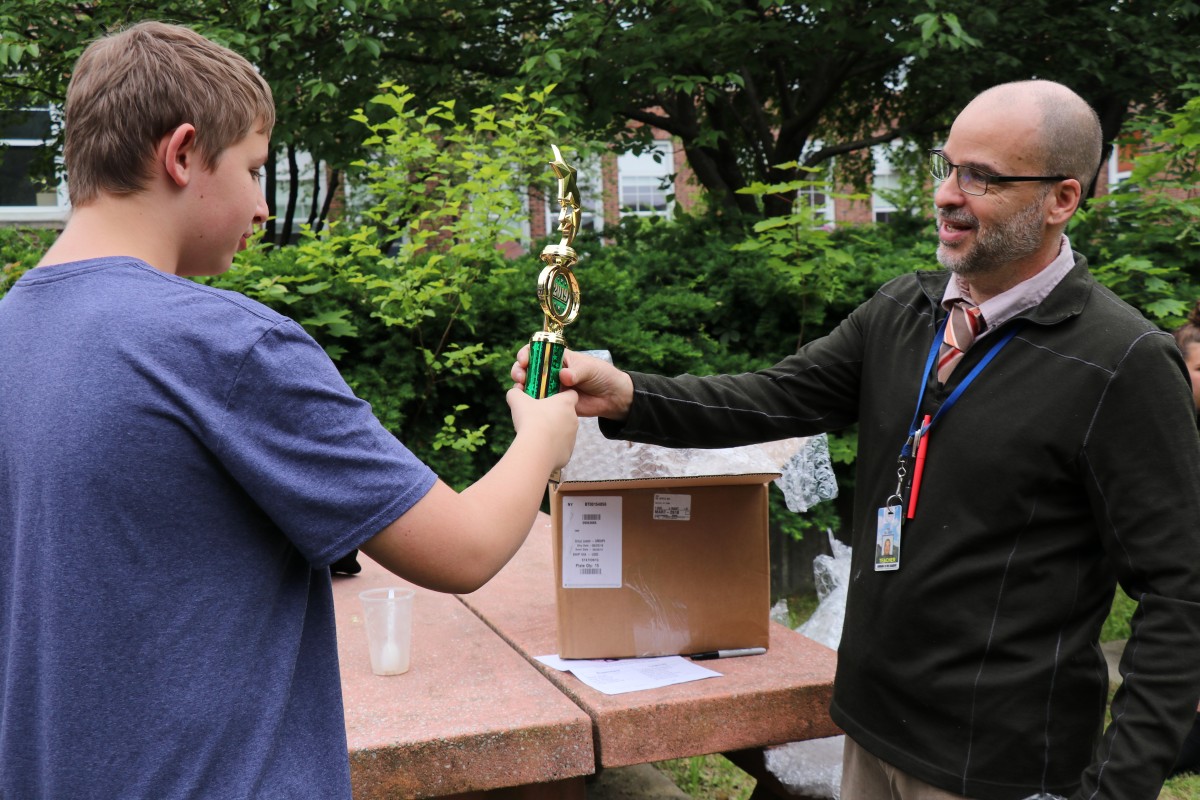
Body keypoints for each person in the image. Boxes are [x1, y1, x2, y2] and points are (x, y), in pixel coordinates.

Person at [515, 80, 1200, 800]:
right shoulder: (906, 309)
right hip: (869, 730)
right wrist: (627, 394)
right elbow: (775, 398)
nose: (945, 193)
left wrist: (1119, 787)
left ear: (1062, 198)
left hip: (994, 764)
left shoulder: (1121, 361)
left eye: (982, 177)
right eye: (946, 165)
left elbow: (1180, 592)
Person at [0, 21, 578, 799]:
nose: (264, 207)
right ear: (181, 155)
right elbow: (463, 551)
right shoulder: (227, 347)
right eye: (253, 169)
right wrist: (540, 438)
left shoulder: (13, 333)